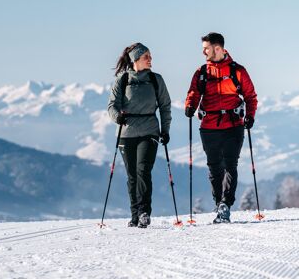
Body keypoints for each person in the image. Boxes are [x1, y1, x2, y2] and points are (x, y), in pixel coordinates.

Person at [184, 32, 258, 223]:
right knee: (214, 167)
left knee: (230, 165)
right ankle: (219, 204)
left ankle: (225, 204)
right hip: (208, 126)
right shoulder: (201, 73)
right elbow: (193, 92)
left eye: (206, 49)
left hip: (233, 125)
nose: (203, 53)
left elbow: (250, 96)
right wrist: (190, 105)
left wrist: (250, 116)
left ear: (218, 48)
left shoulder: (237, 71)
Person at [107, 43, 172, 228]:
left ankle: (144, 212)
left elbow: (165, 107)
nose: (150, 59)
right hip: (126, 133)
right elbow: (112, 105)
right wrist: (116, 117)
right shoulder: (122, 79)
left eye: (150, 56)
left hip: (149, 130)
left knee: (143, 170)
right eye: (146, 57)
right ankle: (134, 214)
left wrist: (165, 130)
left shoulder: (156, 79)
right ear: (136, 59)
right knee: (132, 175)